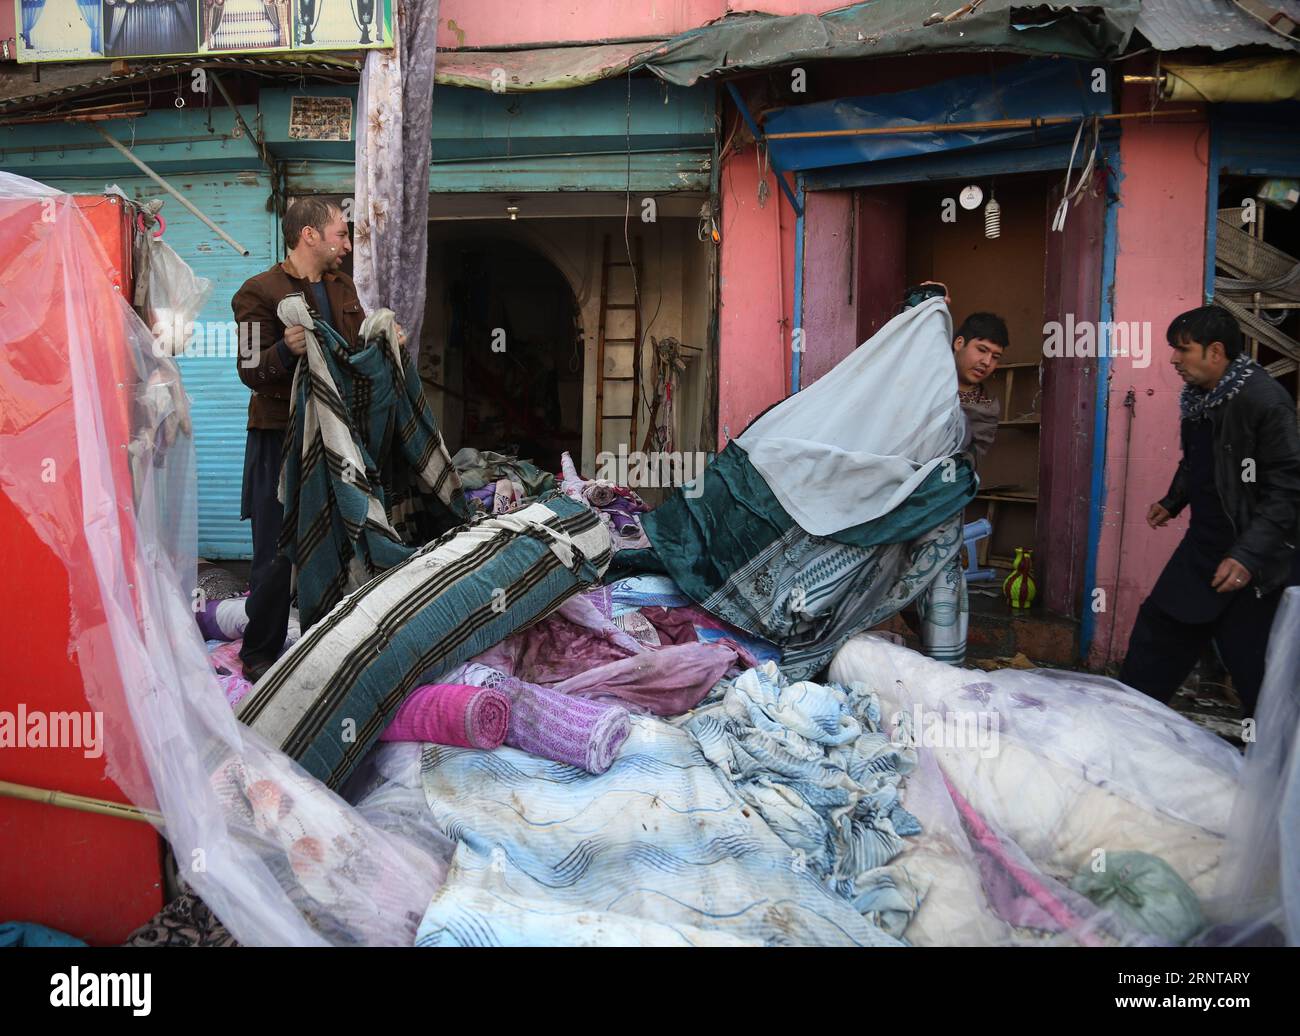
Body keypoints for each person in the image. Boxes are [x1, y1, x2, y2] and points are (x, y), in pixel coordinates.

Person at [1119, 305, 1300, 717]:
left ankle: (1275, 767)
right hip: (1207, 546)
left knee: (1260, 667)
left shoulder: (1265, 401)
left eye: (1183, 350)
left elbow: (1288, 487)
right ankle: (1127, 728)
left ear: (1215, 352)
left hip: (1262, 562)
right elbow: (1200, 462)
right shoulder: (1202, 398)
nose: (1172, 360)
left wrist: (1247, 556)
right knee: (1158, 632)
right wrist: (1173, 499)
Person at [232, 198, 367, 683]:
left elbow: (353, 353)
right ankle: (259, 654)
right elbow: (249, 368)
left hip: (336, 436)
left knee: (339, 539)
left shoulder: (342, 287)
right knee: (275, 549)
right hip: (279, 439)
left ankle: (326, 645)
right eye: (341, 234)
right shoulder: (257, 292)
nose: (346, 245)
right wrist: (284, 351)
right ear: (309, 235)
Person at [903, 285, 1010, 663]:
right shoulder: (925, 382)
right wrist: (927, 308)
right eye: (981, 350)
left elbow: (964, 455)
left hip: (941, 506)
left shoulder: (984, 408)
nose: (987, 362)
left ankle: (942, 668)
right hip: (900, 497)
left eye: (996, 357)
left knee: (941, 586)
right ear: (958, 343)